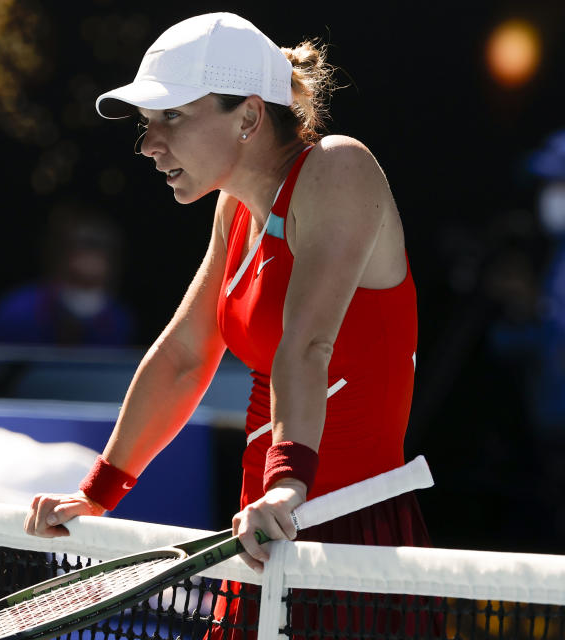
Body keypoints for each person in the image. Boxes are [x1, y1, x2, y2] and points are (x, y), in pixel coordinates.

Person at [24, 12, 432, 637]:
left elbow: (308, 344)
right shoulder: (234, 209)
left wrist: (288, 486)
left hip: (346, 544)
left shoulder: (339, 169)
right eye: (147, 123)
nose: (148, 143)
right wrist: (98, 492)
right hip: (265, 535)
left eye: (172, 118)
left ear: (247, 117)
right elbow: (185, 354)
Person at [0, 203, 134, 346]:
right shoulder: (14, 316)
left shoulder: (118, 321)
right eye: (76, 280)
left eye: (92, 284)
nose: (84, 295)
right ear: (56, 266)